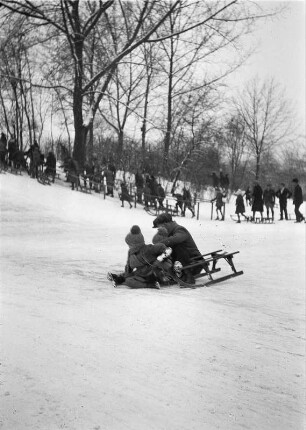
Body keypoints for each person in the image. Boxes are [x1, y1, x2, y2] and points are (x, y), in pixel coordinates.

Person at [152, 213, 203, 284]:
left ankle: (189, 275)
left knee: (177, 246)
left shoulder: (180, 229)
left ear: (166, 224)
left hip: (194, 261)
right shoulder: (167, 233)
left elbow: (176, 239)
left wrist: (161, 243)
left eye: (160, 227)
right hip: (182, 263)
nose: (159, 229)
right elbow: (155, 242)